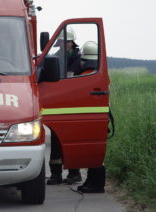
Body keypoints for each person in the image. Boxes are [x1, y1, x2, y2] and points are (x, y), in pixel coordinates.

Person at [47, 30, 82, 185]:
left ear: (72, 43)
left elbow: (70, 76)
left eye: (67, 42)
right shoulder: (55, 56)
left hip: (73, 102)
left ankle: (74, 174)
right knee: (56, 140)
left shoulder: (77, 57)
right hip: (57, 102)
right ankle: (56, 175)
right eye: (62, 42)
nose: (64, 44)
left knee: (71, 139)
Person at [76, 40, 106, 193]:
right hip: (97, 116)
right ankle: (91, 182)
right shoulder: (99, 76)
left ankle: (96, 185)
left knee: (94, 152)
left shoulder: (85, 76)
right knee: (94, 151)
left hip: (91, 117)